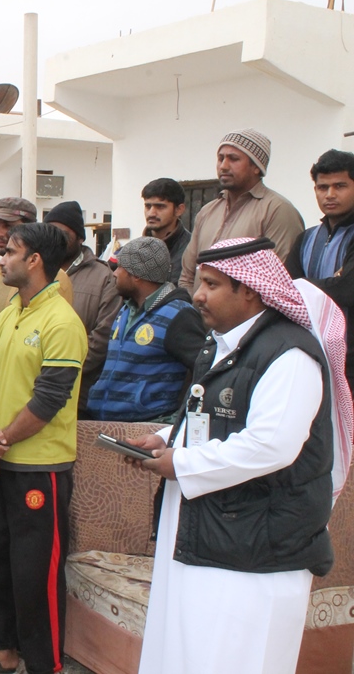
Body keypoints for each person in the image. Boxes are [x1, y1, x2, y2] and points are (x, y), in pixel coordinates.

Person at [131, 237, 353, 674]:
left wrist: (181, 463)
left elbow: (271, 444)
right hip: (213, 535)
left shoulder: (289, 355)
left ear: (250, 290)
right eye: (198, 282)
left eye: (211, 284)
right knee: (188, 655)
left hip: (257, 551)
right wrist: (164, 439)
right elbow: (210, 420)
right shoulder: (224, 345)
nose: (197, 295)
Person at [0, 222, 87, 674]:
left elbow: (50, 399)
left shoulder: (62, 321)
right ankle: (4, 651)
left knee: (36, 574)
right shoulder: (12, 310)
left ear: (34, 261)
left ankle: (45, 664)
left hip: (40, 468)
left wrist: (1, 441)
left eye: (10, 251)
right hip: (1, 459)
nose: (1, 258)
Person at [86, 237, 205, 422]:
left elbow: (203, 370)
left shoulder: (178, 315)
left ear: (137, 274)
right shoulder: (125, 310)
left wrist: (176, 419)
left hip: (146, 429)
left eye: (120, 268)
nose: (114, 274)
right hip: (106, 422)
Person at [178, 128, 304, 291]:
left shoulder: (277, 210)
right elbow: (187, 277)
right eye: (220, 158)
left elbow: (277, 282)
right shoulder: (207, 211)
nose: (223, 166)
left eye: (233, 159)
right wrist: (192, 312)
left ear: (256, 167)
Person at [286, 149, 354, 393]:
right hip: (311, 352)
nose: (330, 194)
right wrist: (331, 282)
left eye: (340, 186)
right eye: (322, 187)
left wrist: (302, 284)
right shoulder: (306, 239)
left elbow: (348, 290)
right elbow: (284, 291)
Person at [44, 200, 120, 409]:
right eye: (51, 232)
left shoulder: (104, 277)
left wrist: (61, 370)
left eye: (63, 234)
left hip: (79, 395)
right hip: (35, 389)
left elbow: (103, 336)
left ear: (80, 237)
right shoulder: (37, 271)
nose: (56, 240)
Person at [141, 178, 191, 285]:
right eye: (148, 206)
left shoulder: (192, 249)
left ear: (179, 210)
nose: (151, 213)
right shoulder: (134, 250)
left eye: (160, 206)